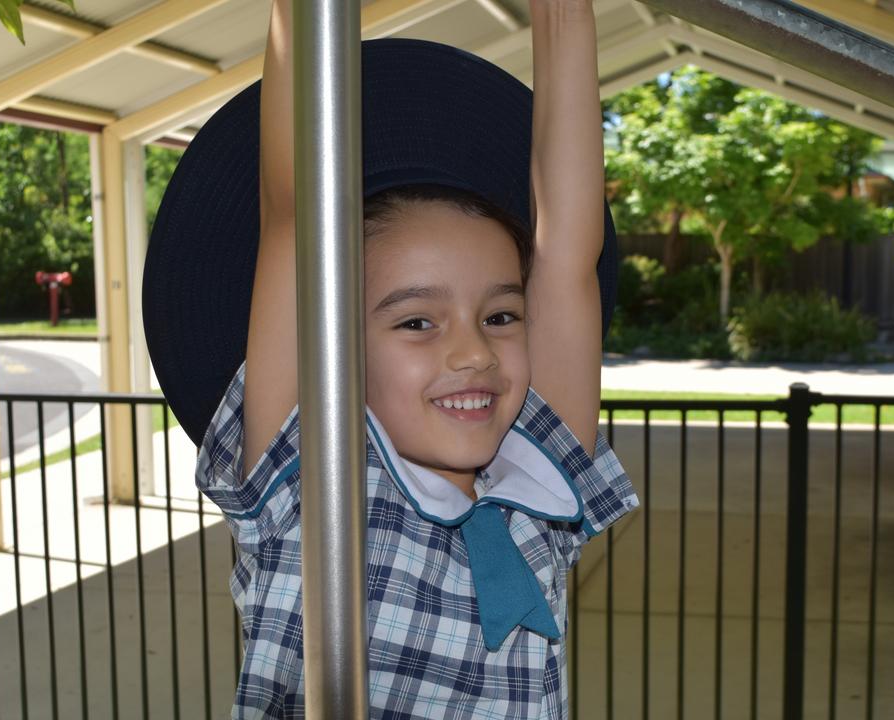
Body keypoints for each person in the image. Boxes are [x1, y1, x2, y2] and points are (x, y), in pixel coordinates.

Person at [142, 0, 637, 716]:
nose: (473, 352)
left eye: (500, 316)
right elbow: (290, 215)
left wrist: (565, 14)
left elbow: (565, 256)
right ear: (329, 344)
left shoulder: (534, 499)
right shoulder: (311, 488)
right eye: (416, 321)